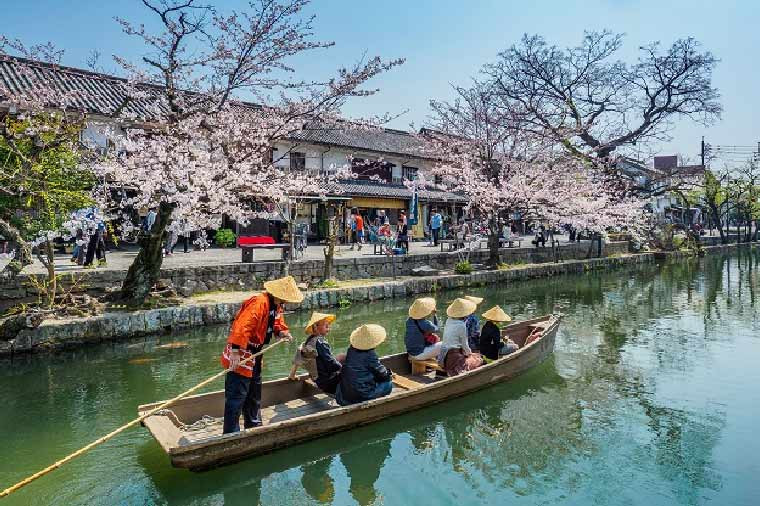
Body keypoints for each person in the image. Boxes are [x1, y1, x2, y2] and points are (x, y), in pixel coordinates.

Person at [220, 276, 302, 433]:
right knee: (237, 395)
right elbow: (243, 326)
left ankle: (253, 424)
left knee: (254, 391)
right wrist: (236, 352)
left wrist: (282, 332)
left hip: (256, 354)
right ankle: (231, 432)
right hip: (242, 352)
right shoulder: (259, 302)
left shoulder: (276, 305)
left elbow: (276, 323)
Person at [335, 324, 393, 406]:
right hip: (361, 396)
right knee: (389, 384)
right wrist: (389, 374)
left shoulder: (351, 350)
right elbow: (382, 374)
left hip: (344, 397)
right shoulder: (370, 355)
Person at [288, 312, 343, 394]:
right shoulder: (320, 342)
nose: (329, 329)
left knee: (340, 358)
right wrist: (343, 368)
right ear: (316, 327)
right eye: (326, 326)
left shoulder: (308, 341)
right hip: (327, 382)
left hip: (317, 379)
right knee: (347, 365)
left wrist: (292, 375)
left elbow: (297, 359)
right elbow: (330, 363)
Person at [438, 298, 483, 376]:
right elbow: (464, 344)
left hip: (443, 356)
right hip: (453, 357)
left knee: (473, 356)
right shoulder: (461, 325)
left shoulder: (448, 320)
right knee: (478, 359)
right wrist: (470, 354)